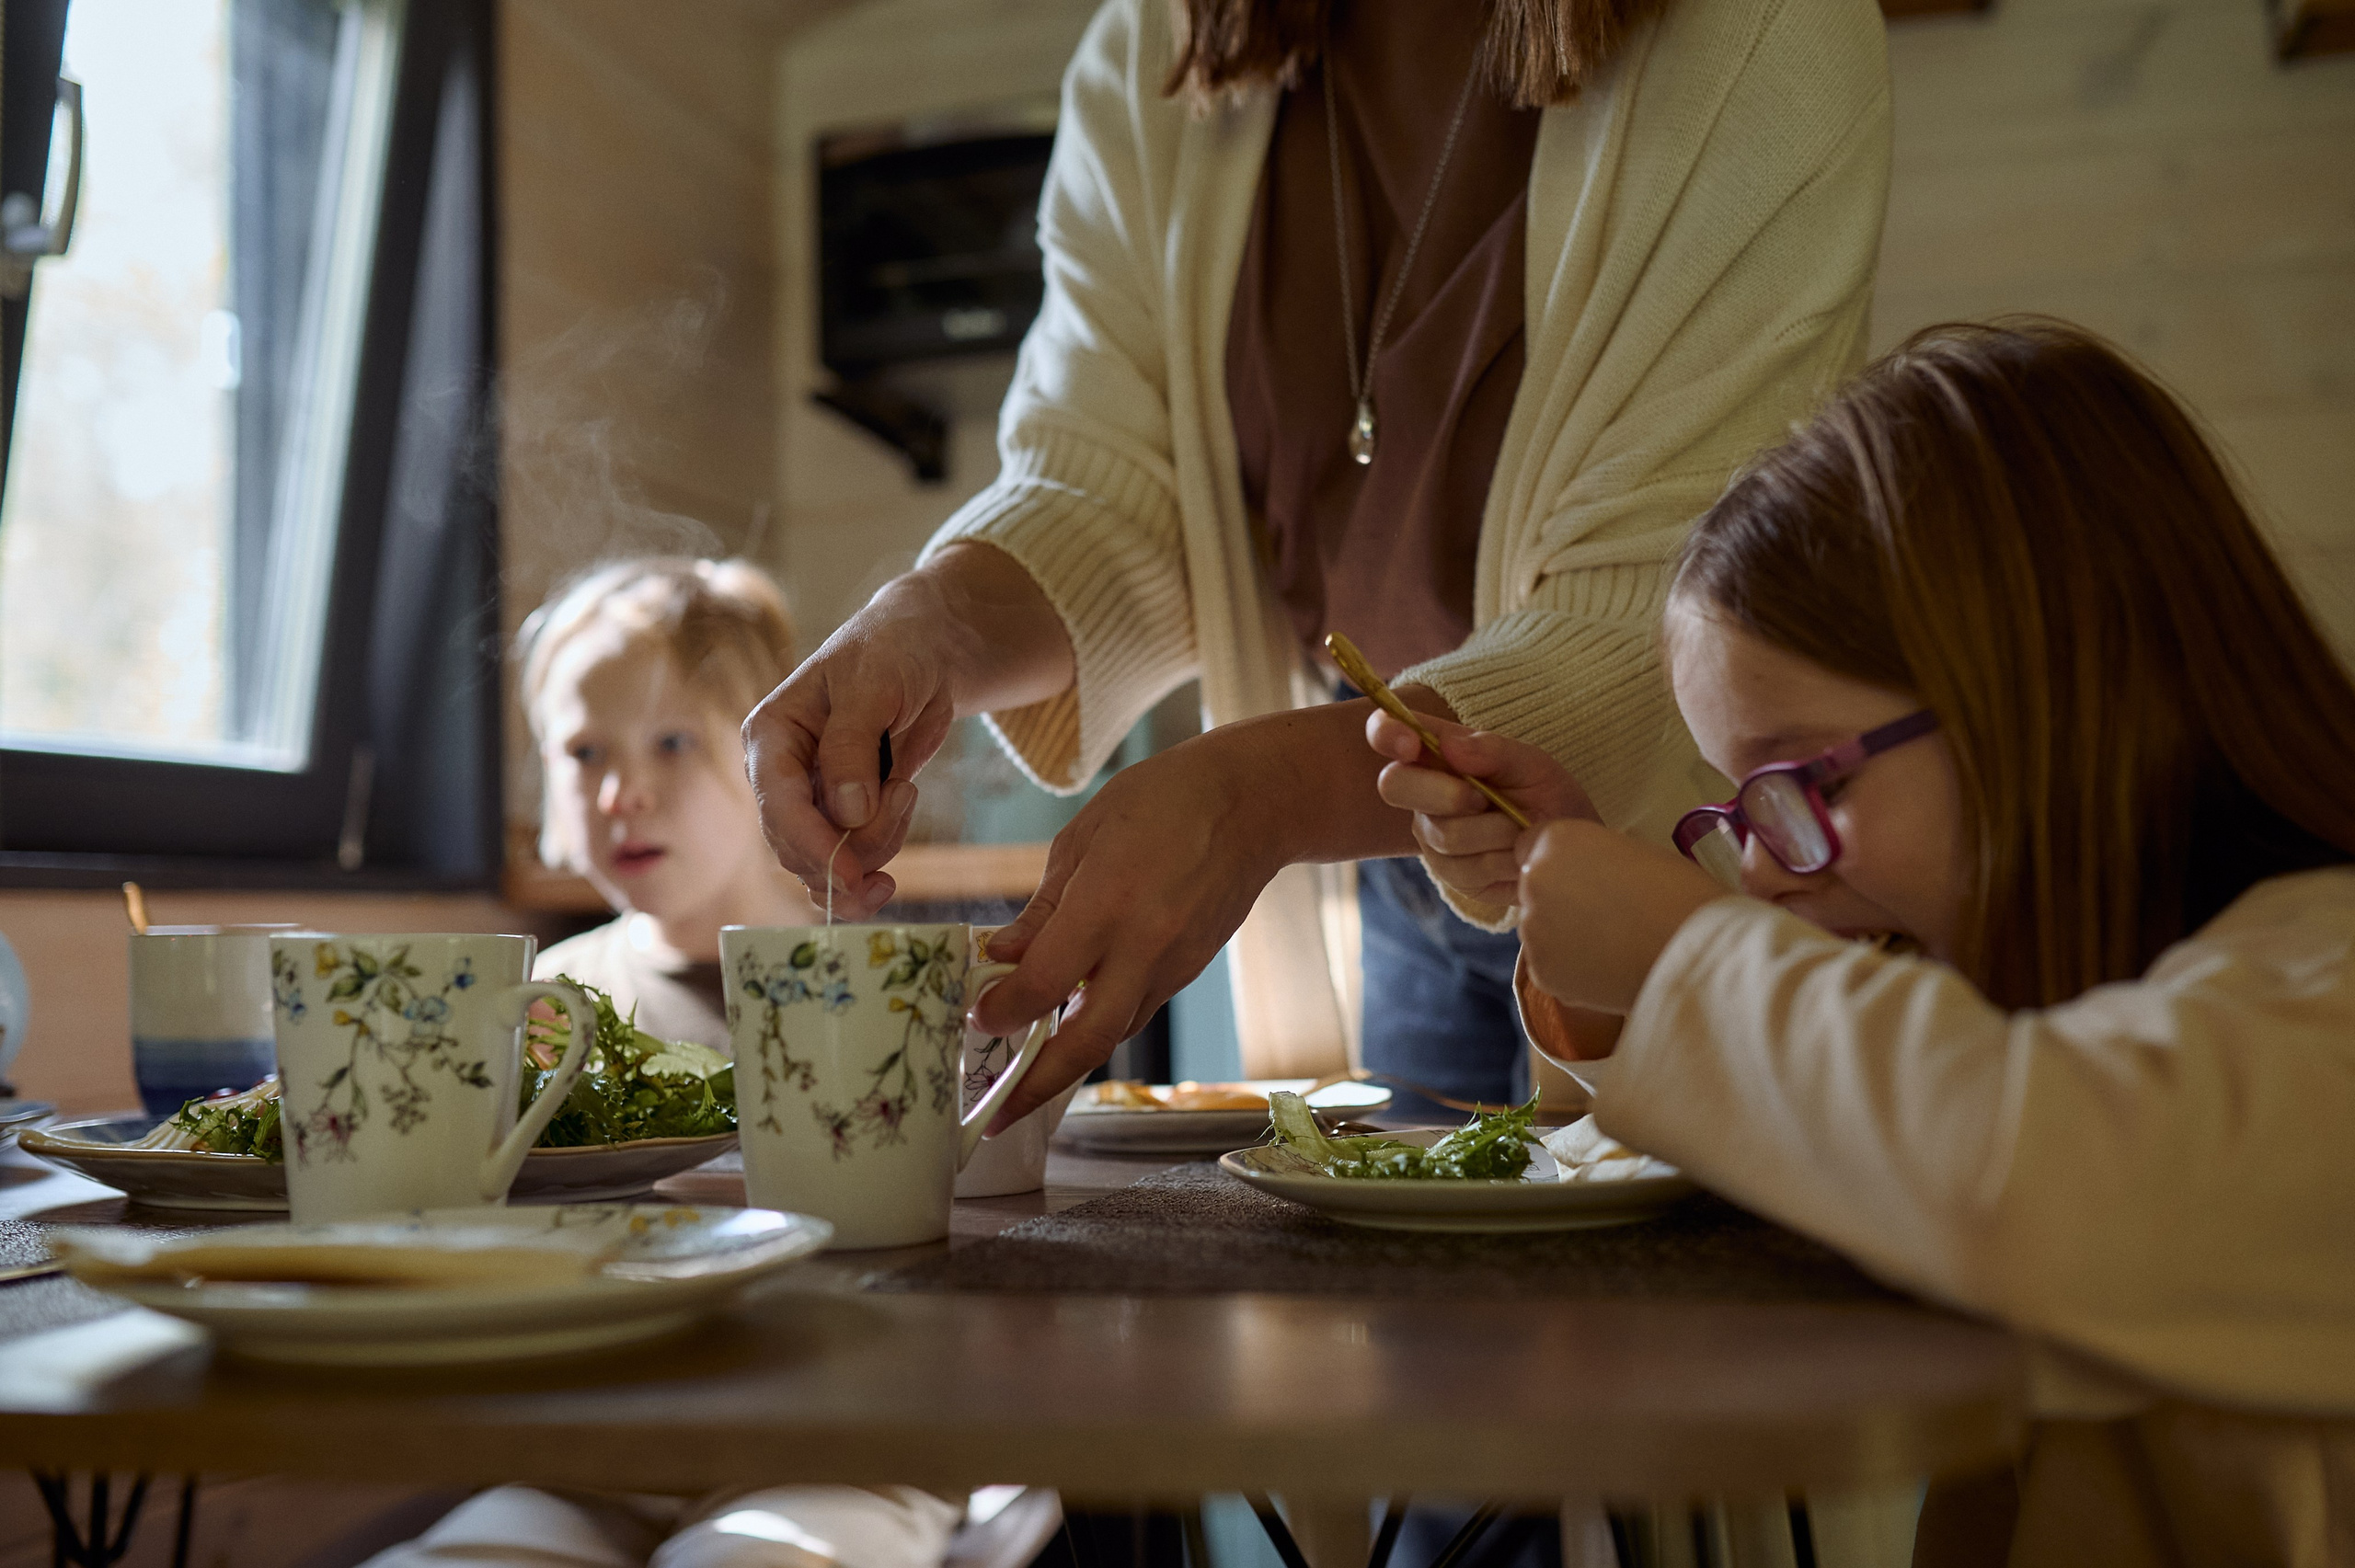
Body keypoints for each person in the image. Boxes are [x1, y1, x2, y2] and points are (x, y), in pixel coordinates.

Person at [745, 0, 1892, 1124]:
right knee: (1418, 1295)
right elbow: (1104, 490)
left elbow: (1670, 603)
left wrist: (1264, 793)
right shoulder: (1158, 43)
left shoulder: (1762, 31)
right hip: (1389, 837)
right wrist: (927, 623)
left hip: (1678, 871)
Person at [1373, 319, 2355, 1563]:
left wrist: (1681, 962)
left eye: (1798, 782)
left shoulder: (2328, 981)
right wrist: (1608, 969)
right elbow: (1838, 1124)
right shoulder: (2021, 984)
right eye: (1743, 806)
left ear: (2045, 684)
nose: (1770, 867)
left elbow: (2023, 1174)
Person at [523, 557, 821, 1046]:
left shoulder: (873, 982)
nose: (620, 797)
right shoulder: (541, 1003)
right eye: (586, 752)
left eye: (673, 744)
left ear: (778, 756)